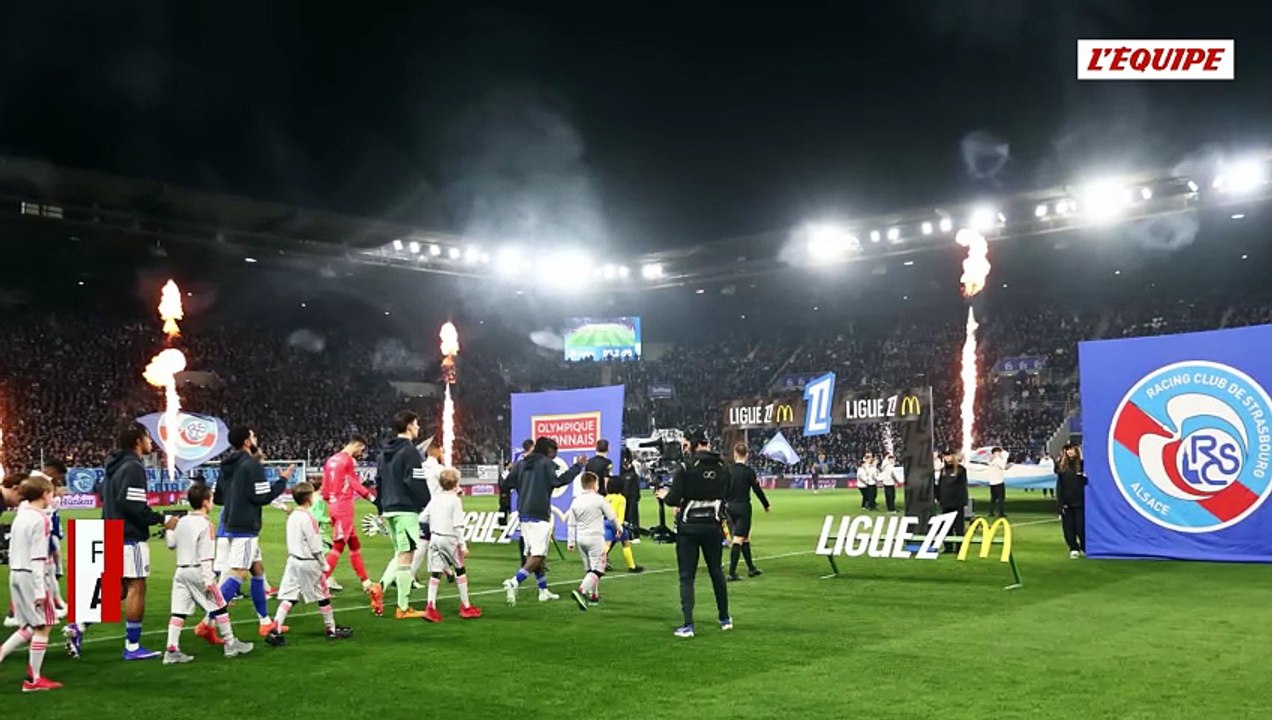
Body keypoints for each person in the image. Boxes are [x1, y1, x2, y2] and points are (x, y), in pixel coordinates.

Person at [90, 425, 179, 660]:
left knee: (116, 589)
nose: (151, 442)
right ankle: (132, 646)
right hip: (128, 537)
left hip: (109, 531)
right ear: (139, 441)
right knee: (136, 587)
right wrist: (162, 519)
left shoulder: (112, 467)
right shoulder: (134, 467)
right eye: (148, 437)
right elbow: (133, 505)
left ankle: (77, 627)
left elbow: (101, 491)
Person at [206, 427, 292, 639]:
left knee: (258, 570)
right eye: (253, 436)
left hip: (229, 523)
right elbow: (262, 497)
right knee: (238, 572)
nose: (255, 439)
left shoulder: (226, 466)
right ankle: (207, 621)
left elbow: (218, 499)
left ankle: (264, 622)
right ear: (246, 442)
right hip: (245, 527)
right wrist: (282, 481)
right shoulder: (251, 465)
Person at [162, 482, 254, 664]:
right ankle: (230, 644)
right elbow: (206, 555)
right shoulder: (206, 525)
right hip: (198, 571)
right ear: (205, 502)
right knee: (219, 605)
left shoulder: (182, 521)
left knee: (178, 612)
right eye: (211, 500)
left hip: (181, 571)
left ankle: (172, 650)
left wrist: (169, 529)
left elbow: (171, 544)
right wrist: (209, 579)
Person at [656, 431, 731, 639]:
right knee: (717, 572)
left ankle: (688, 625)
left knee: (687, 577)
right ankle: (724, 618)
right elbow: (726, 495)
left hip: (689, 529)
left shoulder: (685, 467)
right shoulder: (724, 467)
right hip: (713, 527)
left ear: (693, 444)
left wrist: (664, 496)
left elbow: (673, 499)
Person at [264, 482, 353, 646]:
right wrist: (323, 563)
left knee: (290, 596)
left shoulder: (292, 516)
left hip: (293, 561)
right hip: (309, 563)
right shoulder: (308, 517)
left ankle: (275, 628)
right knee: (323, 595)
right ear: (308, 498)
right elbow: (315, 545)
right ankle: (331, 629)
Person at [501, 437, 585, 605]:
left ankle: (543, 590)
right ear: (548, 450)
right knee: (538, 555)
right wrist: (578, 466)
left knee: (533, 553)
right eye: (554, 453)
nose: (554, 457)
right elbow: (559, 481)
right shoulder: (545, 464)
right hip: (539, 513)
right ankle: (514, 582)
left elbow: (505, 484)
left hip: (524, 513)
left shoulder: (522, 463)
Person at [0, 476, 61, 691]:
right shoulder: (39, 520)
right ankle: (33, 680)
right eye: (52, 492)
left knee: (27, 624)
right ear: (44, 494)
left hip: (15, 572)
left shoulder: (22, 514)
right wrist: (39, 589)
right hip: (29, 574)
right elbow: (38, 557)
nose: (54, 496)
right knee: (44, 625)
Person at [375, 410, 432, 619]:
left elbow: (378, 482)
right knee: (407, 557)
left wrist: (380, 509)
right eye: (416, 424)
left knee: (400, 555)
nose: (418, 428)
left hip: (389, 509)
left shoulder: (384, 452)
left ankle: (379, 586)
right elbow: (414, 481)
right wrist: (425, 502)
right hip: (405, 509)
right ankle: (403, 606)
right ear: (409, 426)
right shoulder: (410, 452)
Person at [320, 434, 383, 614]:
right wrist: (372, 499)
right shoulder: (347, 461)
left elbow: (325, 490)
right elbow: (354, 483)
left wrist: (331, 500)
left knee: (354, 544)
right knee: (338, 547)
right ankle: (321, 583)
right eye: (361, 449)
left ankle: (365, 581)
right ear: (356, 445)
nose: (360, 453)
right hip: (343, 507)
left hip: (333, 505)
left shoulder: (331, 460)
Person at [418, 468, 482, 622]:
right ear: (456, 483)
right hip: (450, 539)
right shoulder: (455, 501)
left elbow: (422, 518)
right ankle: (466, 606)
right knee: (460, 569)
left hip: (435, 538)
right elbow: (458, 525)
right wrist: (464, 546)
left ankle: (431, 607)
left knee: (435, 573)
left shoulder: (435, 499)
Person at [567, 472, 622, 610]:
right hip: (595, 538)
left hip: (581, 539)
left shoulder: (576, 501)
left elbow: (571, 523)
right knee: (598, 570)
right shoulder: (599, 500)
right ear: (594, 485)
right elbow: (612, 516)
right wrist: (619, 528)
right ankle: (581, 591)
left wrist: (570, 541)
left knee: (590, 569)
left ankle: (593, 596)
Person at [725, 442, 771, 581]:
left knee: (745, 538)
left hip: (729, 507)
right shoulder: (749, 472)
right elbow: (757, 490)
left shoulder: (727, 471)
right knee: (738, 540)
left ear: (734, 454)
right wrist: (766, 505)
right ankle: (732, 573)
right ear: (747, 455)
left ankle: (751, 568)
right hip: (743, 508)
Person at [602, 476, 644, 575]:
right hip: (616, 523)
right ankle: (632, 566)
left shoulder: (606, 498)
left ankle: (598, 565)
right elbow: (620, 515)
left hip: (605, 522)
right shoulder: (621, 499)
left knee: (606, 545)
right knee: (625, 543)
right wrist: (619, 528)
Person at [1056, 444, 1087, 558]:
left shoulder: (1083, 465)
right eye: (1067, 450)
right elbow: (1060, 487)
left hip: (1080, 502)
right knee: (1068, 527)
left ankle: (1084, 546)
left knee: (1081, 526)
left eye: (1071, 449)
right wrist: (1060, 505)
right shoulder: (1062, 467)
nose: (1069, 452)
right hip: (1066, 503)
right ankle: (1073, 547)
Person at [937, 449, 969, 554]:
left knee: (958, 526)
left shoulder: (960, 470)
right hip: (945, 503)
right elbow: (941, 486)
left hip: (957, 503)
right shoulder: (943, 470)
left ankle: (959, 548)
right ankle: (948, 547)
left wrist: (962, 501)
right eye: (945, 456)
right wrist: (939, 499)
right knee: (946, 526)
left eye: (948, 456)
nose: (946, 458)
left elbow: (963, 487)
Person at [986, 447, 1009, 518]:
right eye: (998, 452)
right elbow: (1004, 466)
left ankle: (991, 512)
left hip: (992, 482)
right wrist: (1009, 464)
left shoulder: (991, 460)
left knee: (993, 498)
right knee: (1001, 498)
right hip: (999, 481)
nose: (999, 453)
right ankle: (1000, 513)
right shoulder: (998, 460)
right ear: (995, 453)